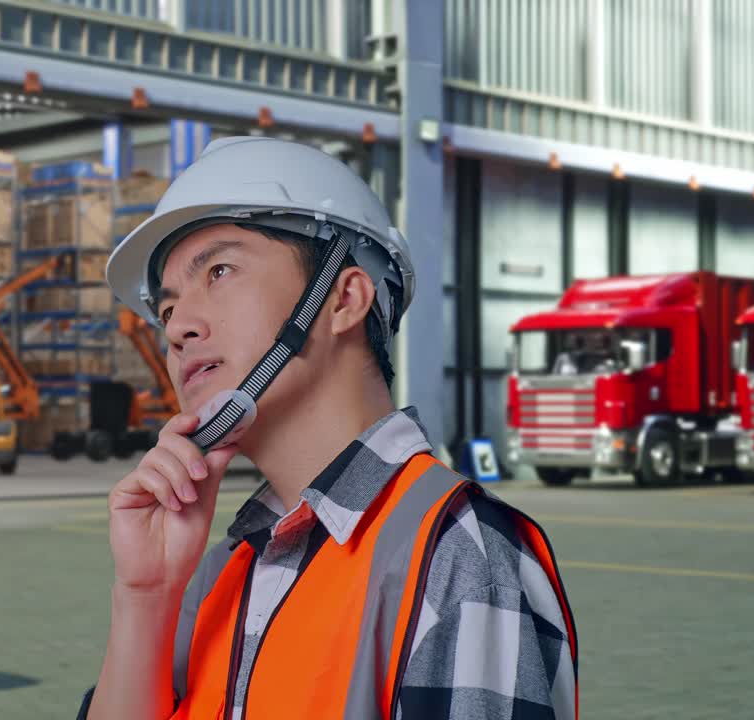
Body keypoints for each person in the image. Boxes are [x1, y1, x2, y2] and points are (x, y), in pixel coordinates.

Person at [77, 138, 578, 720]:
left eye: (219, 270)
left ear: (343, 299)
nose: (178, 328)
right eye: (166, 310)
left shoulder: (456, 556)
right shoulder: (221, 570)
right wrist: (147, 596)